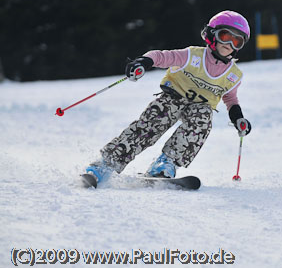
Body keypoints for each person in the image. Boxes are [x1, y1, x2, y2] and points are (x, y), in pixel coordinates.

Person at [84, 10, 252, 184]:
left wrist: (238, 118)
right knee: (153, 122)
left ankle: (166, 164)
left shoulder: (233, 75)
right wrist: (144, 62)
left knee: (202, 119)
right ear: (212, 35)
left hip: (199, 106)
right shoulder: (192, 56)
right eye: (225, 36)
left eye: (237, 41)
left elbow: (230, 99)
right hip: (173, 99)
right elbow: (161, 56)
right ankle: (108, 163)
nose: (229, 44)